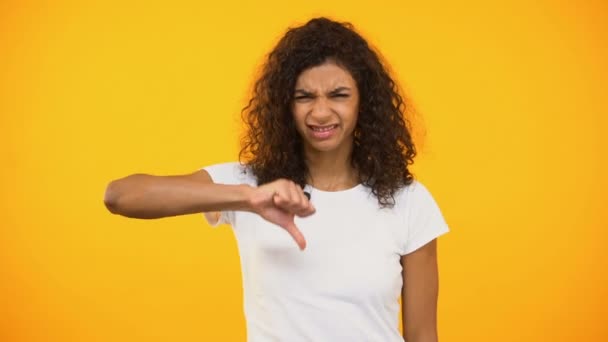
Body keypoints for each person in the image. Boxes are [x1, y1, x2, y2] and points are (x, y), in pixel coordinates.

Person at [104, 17, 450, 342]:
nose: (321, 112)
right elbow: (120, 196)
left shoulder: (408, 201)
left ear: (365, 103)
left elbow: (422, 335)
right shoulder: (248, 184)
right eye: (304, 97)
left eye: (338, 95)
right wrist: (246, 198)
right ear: (285, 105)